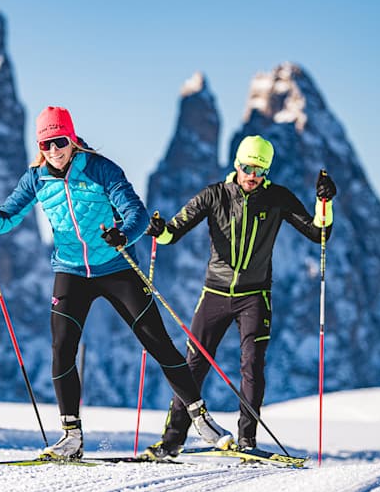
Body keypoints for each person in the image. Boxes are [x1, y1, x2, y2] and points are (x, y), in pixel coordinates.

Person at [0, 106, 233, 460]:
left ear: (72, 139)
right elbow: (3, 221)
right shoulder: (36, 179)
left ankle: (201, 418)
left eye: (60, 141)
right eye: (45, 144)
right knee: (62, 349)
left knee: (158, 342)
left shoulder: (101, 169)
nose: (54, 150)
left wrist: (123, 235)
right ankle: (71, 436)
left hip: (115, 267)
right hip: (71, 272)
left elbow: (136, 213)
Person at [139, 135, 337, 461]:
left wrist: (323, 203)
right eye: (247, 167)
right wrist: (159, 230)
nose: (252, 176)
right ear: (237, 164)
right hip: (214, 293)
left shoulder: (277, 198)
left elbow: (319, 233)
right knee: (192, 366)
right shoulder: (215, 195)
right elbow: (173, 233)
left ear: (267, 172)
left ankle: (247, 440)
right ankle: (172, 441)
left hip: (254, 296)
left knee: (252, 365)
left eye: (259, 170)